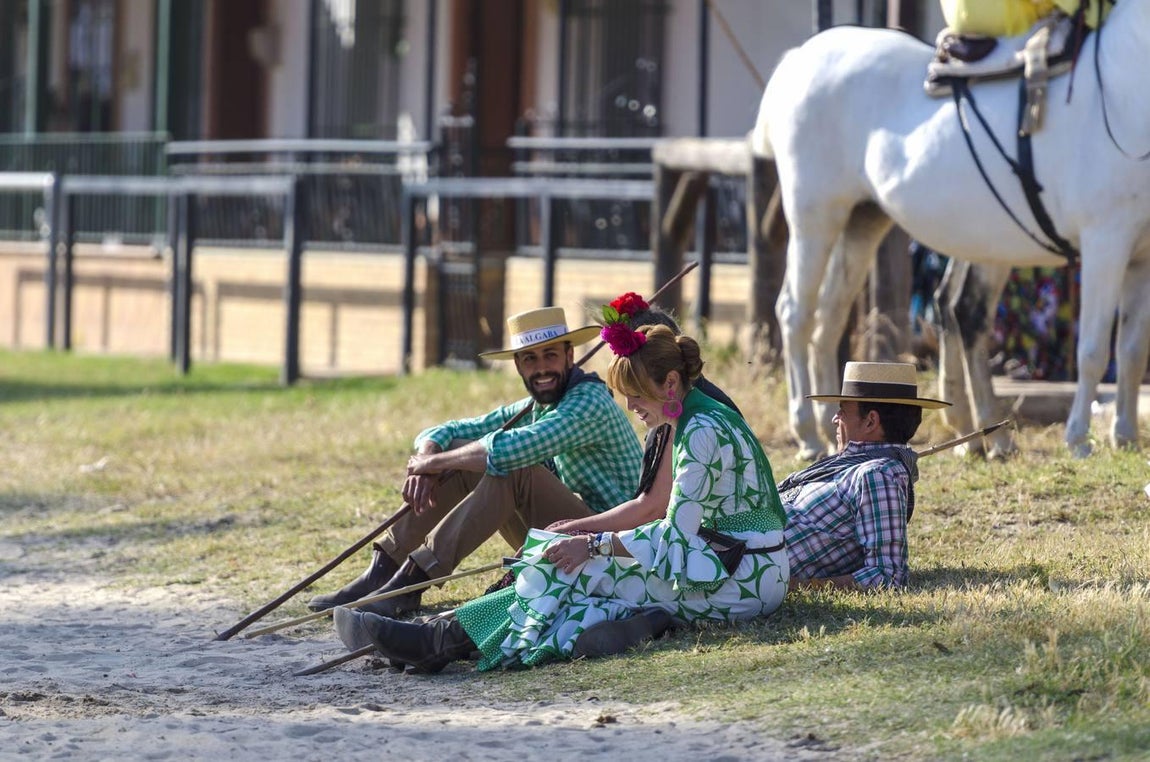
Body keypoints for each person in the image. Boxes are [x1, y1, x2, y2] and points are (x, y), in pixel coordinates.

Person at [331, 321, 790, 673]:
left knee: (573, 570)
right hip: (740, 567)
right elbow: (656, 508)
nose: (629, 406)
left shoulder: (700, 431)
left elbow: (673, 532)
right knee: (577, 571)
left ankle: (437, 642)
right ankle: (444, 630)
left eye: (635, 395)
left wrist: (587, 544)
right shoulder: (691, 418)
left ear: (670, 383)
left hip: (739, 580)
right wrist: (581, 529)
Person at [306, 306, 643, 616]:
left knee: (511, 465)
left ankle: (415, 578)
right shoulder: (538, 405)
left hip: (611, 550)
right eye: (529, 359)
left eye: (550, 355)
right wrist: (428, 457)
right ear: (518, 366)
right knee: (460, 449)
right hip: (568, 538)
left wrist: (435, 465)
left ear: (570, 356)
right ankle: (383, 568)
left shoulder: (588, 403)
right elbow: (449, 431)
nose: (541, 368)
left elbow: (508, 451)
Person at [779, 362, 951, 591]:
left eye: (843, 410)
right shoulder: (849, 466)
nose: (835, 419)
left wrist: (798, 586)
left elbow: (888, 575)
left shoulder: (879, 473)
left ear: (870, 420)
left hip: (744, 561)